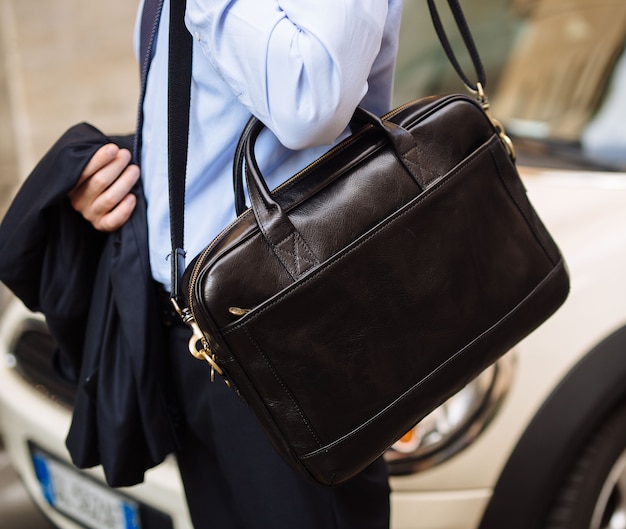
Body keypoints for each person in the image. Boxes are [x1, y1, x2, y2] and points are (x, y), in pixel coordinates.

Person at [67, 0, 404, 527]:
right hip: (193, 330)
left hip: (289, 332)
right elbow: (205, 125)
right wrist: (117, 183)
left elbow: (311, 100)